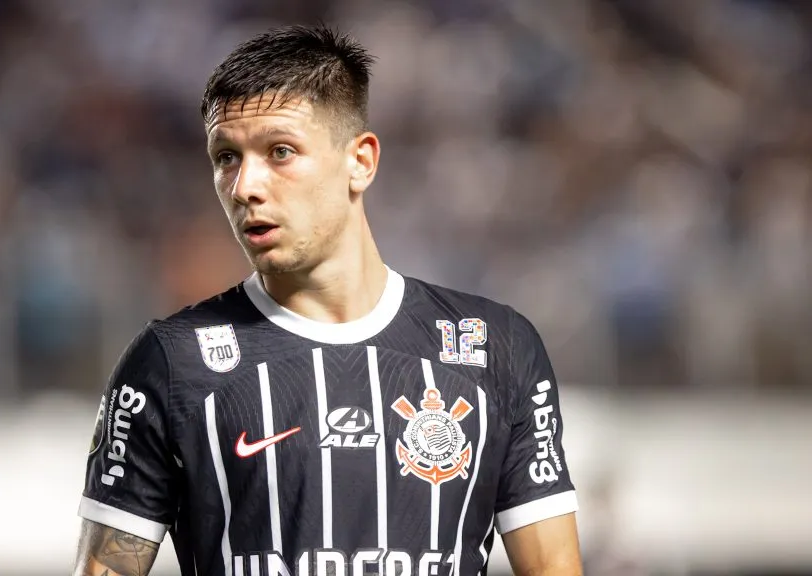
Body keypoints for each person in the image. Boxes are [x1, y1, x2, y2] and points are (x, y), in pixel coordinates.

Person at [73, 24, 582, 576]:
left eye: (280, 151)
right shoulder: (173, 364)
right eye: (226, 157)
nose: (245, 186)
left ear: (360, 161)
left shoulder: (494, 350)